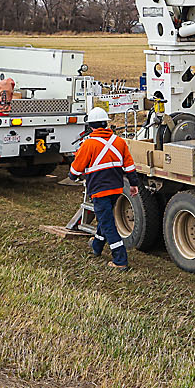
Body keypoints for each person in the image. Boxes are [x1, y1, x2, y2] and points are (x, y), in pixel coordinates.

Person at [68, 106, 140, 270]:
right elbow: (129, 166)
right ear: (106, 124)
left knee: (107, 224)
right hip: (116, 189)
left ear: (90, 126)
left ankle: (120, 260)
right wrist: (134, 184)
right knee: (105, 218)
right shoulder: (119, 141)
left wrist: (72, 176)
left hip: (99, 191)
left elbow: (76, 169)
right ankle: (97, 247)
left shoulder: (88, 145)